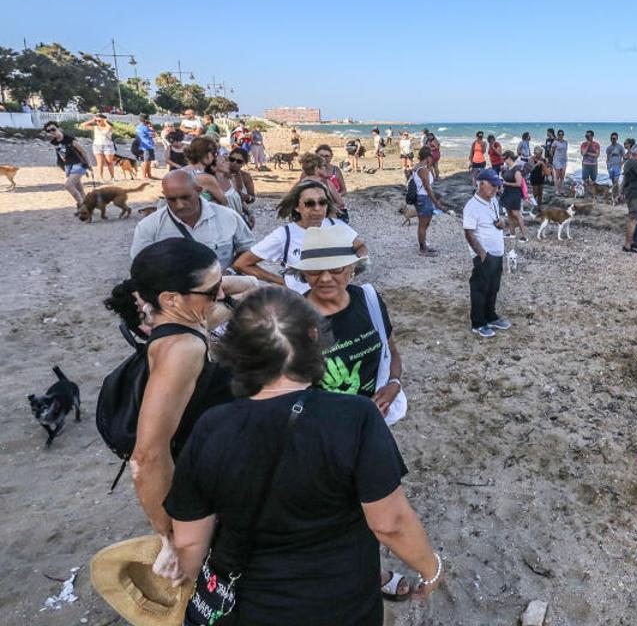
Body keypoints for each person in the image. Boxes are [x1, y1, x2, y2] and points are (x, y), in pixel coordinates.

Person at [165, 287, 442, 623]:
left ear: (238, 352)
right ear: (314, 336)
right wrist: (429, 567)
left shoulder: (210, 426)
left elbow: (190, 544)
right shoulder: (355, 417)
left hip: (249, 605)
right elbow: (390, 523)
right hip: (342, 602)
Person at [103, 239, 239, 583]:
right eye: (212, 289)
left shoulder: (189, 320)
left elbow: (235, 288)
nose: (221, 293)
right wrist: (170, 536)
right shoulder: (181, 349)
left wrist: (243, 282)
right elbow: (147, 456)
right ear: (171, 299)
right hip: (208, 486)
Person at [296, 225, 403, 424]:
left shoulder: (368, 299)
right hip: (327, 426)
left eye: (336, 268)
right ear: (304, 274)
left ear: (352, 269)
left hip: (375, 419)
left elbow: (392, 352)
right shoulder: (294, 318)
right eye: (315, 270)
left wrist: (394, 384)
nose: (325, 278)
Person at [233, 180, 365, 292]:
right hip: (303, 303)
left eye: (322, 202)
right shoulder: (285, 235)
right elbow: (242, 263)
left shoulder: (336, 225)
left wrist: (352, 268)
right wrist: (282, 282)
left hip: (335, 297)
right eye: (309, 203)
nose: (317, 208)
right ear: (297, 207)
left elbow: (360, 246)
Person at [130, 171, 255, 271]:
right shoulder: (149, 227)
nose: (180, 205)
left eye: (185, 197)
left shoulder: (228, 217)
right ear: (164, 195)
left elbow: (248, 251)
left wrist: (230, 272)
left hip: (223, 288)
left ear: (199, 191)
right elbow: (140, 267)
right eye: (172, 199)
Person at [462, 169, 511, 338]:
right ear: (481, 184)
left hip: (497, 252)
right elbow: (468, 232)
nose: (496, 189)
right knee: (480, 288)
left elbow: (501, 221)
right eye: (493, 185)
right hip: (484, 254)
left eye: (498, 186)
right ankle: (478, 323)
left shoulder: (493, 201)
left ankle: (491, 316)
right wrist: (481, 254)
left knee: (493, 288)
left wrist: (502, 223)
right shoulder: (472, 206)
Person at [42, 121, 89, 206]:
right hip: (68, 166)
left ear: (59, 128)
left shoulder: (69, 139)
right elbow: (61, 155)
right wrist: (62, 166)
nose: (52, 132)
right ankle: (88, 206)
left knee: (68, 185)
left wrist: (88, 165)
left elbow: (83, 151)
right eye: (49, 131)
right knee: (79, 189)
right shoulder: (54, 142)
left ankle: (82, 205)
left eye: (53, 129)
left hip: (78, 163)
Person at [413, 146, 448, 256]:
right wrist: (437, 203)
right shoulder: (422, 170)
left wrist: (430, 167)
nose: (432, 159)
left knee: (425, 223)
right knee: (423, 224)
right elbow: (428, 188)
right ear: (427, 157)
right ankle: (423, 249)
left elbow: (431, 181)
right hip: (424, 198)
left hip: (422, 198)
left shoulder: (421, 167)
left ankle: (424, 246)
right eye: (431, 157)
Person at [182, 137, 229, 207]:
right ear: (208, 154)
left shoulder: (180, 172)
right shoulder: (206, 178)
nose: (215, 157)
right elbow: (224, 201)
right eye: (215, 153)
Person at [500, 151, 529, 242]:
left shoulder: (516, 169)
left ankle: (524, 236)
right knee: (509, 213)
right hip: (508, 193)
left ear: (509, 158)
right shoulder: (508, 168)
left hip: (514, 194)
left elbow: (519, 184)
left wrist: (506, 183)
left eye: (505, 159)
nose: (504, 161)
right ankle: (512, 233)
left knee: (516, 214)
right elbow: (506, 177)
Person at [315, 143, 350, 219]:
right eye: (321, 155)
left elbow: (344, 190)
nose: (324, 158)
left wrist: (335, 198)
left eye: (327, 156)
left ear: (331, 157)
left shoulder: (336, 170)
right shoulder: (310, 171)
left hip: (336, 207)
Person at [226, 147, 257, 228]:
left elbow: (252, 197)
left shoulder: (245, 176)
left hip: (239, 214)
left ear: (244, 163)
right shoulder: (220, 174)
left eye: (239, 161)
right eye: (232, 159)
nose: (234, 163)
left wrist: (246, 197)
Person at [81, 112, 116, 181]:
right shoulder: (95, 127)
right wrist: (92, 120)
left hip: (108, 146)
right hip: (97, 146)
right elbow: (83, 125)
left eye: (99, 120)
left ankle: (112, 177)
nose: (97, 122)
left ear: (103, 120)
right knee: (100, 163)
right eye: (96, 121)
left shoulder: (109, 126)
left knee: (109, 162)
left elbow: (107, 131)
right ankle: (101, 177)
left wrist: (105, 121)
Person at [135, 114, 157, 179]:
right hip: (147, 146)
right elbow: (154, 135)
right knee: (146, 162)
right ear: (146, 119)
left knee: (148, 162)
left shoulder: (138, 126)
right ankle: (144, 176)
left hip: (144, 145)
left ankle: (148, 175)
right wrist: (151, 128)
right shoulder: (145, 127)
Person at [605, 132, 625, 197]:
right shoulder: (609, 148)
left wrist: (621, 164)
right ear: (610, 139)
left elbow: (624, 157)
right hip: (610, 166)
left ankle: (618, 195)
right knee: (613, 182)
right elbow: (607, 157)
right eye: (612, 138)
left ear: (617, 138)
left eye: (614, 138)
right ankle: (615, 195)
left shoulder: (620, 147)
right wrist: (608, 166)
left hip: (617, 167)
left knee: (616, 181)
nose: (613, 139)